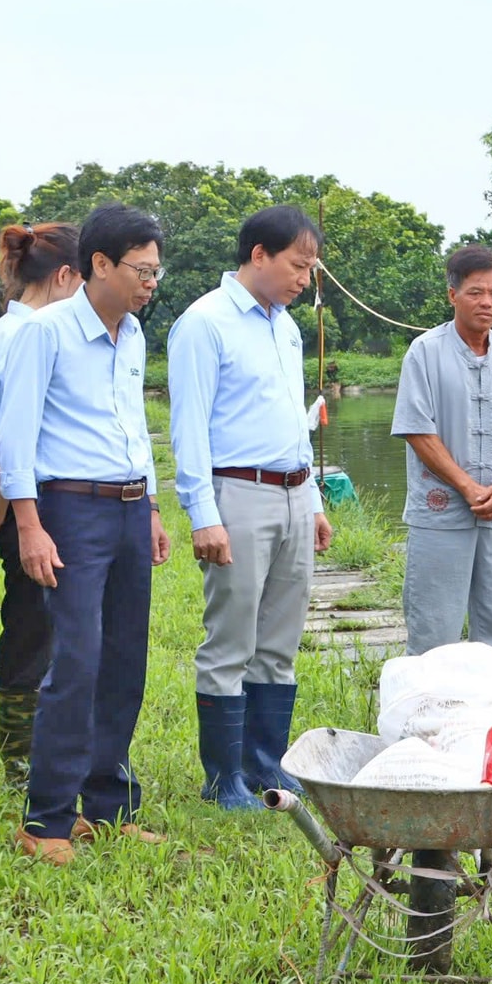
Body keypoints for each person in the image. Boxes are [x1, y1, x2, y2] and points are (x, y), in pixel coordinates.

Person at [0, 203, 171, 865]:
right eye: (141, 270)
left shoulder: (134, 337)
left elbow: (134, 428)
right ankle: (45, 821)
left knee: (125, 658)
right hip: (70, 508)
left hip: (128, 506)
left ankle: (108, 805)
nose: (151, 282)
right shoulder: (47, 332)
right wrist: (30, 525)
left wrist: (150, 508)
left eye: (157, 271)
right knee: (76, 659)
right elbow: (16, 435)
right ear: (99, 264)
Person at [169, 206, 333, 810]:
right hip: (237, 493)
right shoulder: (204, 324)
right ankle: (223, 779)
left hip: (293, 492)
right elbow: (189, 428)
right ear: (257, 255)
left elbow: (294, 424)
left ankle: (266, 763)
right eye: (297, 264)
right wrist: (202, 513)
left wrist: (312, 499)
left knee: (279, 642)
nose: (303, 278)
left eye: (310, 267)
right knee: (231, 639)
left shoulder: (285, 327)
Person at [0, 222, 80, 790]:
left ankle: (23, 753)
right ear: (65, 276)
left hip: (14, 502)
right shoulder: (37, 334)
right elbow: (13, 439)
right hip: (36, 506)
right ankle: (22, 758)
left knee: (31, 626)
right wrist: (3, 514)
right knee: (36, 630)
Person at [391, 244, 492, 659]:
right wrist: (467, 486)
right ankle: (427, 720)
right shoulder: (425, 351)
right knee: (434, 628)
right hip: (442, 513)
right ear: (452, 295)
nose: (487, 302)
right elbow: (418, 431)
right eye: (476, 292)